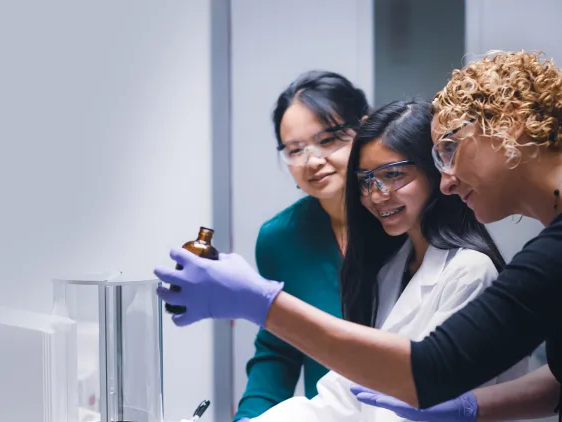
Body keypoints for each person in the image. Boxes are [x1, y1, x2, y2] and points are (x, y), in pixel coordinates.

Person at [155, 50, 562, 420]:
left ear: (510, 125)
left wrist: (261, 302)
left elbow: (429, 369)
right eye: (293, 150)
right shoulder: (386, 259)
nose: (447, 180)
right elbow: (345, 392)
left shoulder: (486, 265)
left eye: (450, 151)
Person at [226, 100, 528, 422]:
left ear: (435, 170)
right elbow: (346, 392)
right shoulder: (391, 267)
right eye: (366, 181)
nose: (376, 194)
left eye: (393, 175)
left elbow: (415, 407)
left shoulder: (470, 271)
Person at [233, 70, 401, 422]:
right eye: (295, 150)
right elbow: (277, 351)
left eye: (329, 140)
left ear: (365, 131)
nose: (312, 161)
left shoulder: (400, 220)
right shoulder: (280, 239)